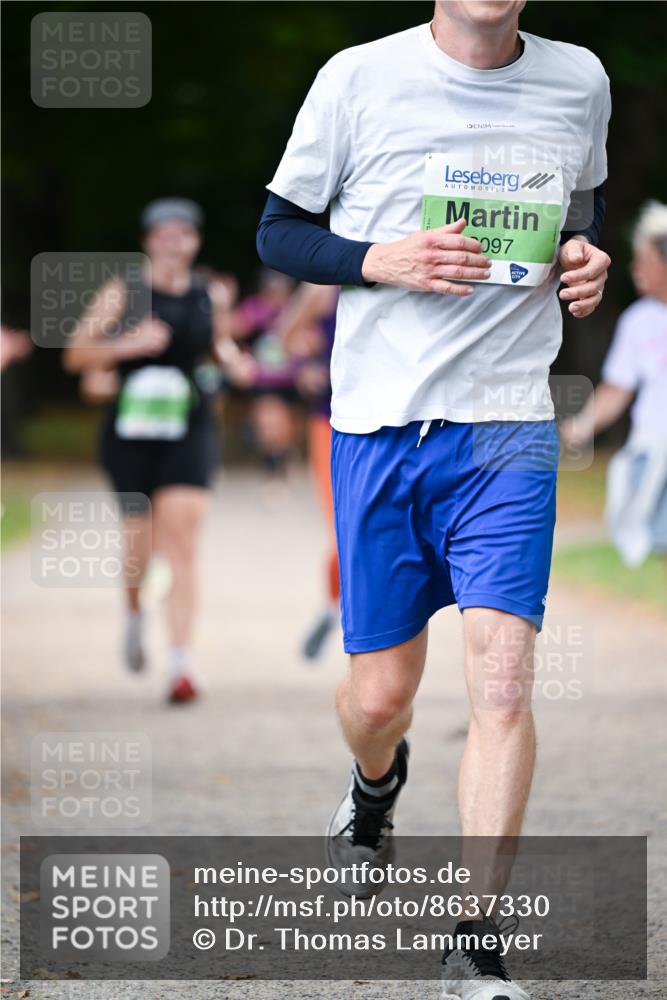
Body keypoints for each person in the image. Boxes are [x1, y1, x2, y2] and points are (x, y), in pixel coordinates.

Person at [257, 2, 611, 995]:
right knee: (380, 697)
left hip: (507, 426)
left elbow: (576, 218)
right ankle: (375, 784)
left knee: (500, 685)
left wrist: (583, 261)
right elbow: (277, 233)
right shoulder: (357, 78)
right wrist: (375, 259)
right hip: (381, 427)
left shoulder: (579, 79)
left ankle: (475, 940)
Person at [64, 198, 247, 703]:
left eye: (183, 233)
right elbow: (76, 354)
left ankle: (182, 665)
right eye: (163, 233)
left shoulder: (210, 293)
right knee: (138, 548)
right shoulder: (124, 291)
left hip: (189, 426)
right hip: (130, 433)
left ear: (195, 242)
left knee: (184, 545)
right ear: (148, 242)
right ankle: (133, 613)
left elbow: (222, 349)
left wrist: (234, 362)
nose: (173, 241)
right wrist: (125, 346)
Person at [561, 201, 667, 569]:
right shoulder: (638, 321)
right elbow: (617, 389)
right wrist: (580, 427)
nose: (636, 269)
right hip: (653, 452)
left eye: (645, 260)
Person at [277, 283, 340, 659]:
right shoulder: (324, 287)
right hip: (332, 422)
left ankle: (343, 610)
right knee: (341, 529)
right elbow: (284, 337)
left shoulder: (414, 264)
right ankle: (334, 608)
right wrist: (303, 368)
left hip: (399, 423)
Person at [230, 268, 300, 492]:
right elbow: (231, 331)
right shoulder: (254, 308)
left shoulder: (297, 308)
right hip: (263, 380)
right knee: (269, 424)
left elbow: (315, 336)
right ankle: (273, 471)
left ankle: (281, 463)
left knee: (285, 428)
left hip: (292, 380)